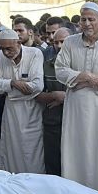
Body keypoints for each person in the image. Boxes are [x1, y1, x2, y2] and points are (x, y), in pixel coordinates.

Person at [54, 3, 98, 194]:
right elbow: (60, 70)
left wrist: (83, 81)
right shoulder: (70, 43)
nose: (86, 23)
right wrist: (85, 75)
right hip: (76, 111)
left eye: (91, 19)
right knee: (76, 155)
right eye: (83, 19)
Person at [0, 27, 45, 174]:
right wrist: (12, 83)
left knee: (32, 153)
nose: (6, 52)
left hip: (31, 110)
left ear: (19, 42)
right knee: (11, 150)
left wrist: (7, 89)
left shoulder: (34, 54)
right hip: (11, 112)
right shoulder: (1, 56)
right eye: (2, 49)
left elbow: (37, 86)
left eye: (9, 48)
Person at [36, 27, 68, 176]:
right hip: (52, 123)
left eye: (63, 41)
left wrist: (65, 98)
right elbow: (37, 94)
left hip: (75, 123)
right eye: (56, 42)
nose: (59, 46)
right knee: (53, 165)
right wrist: (54, 95)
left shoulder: (83, 66)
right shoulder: (46, 66)